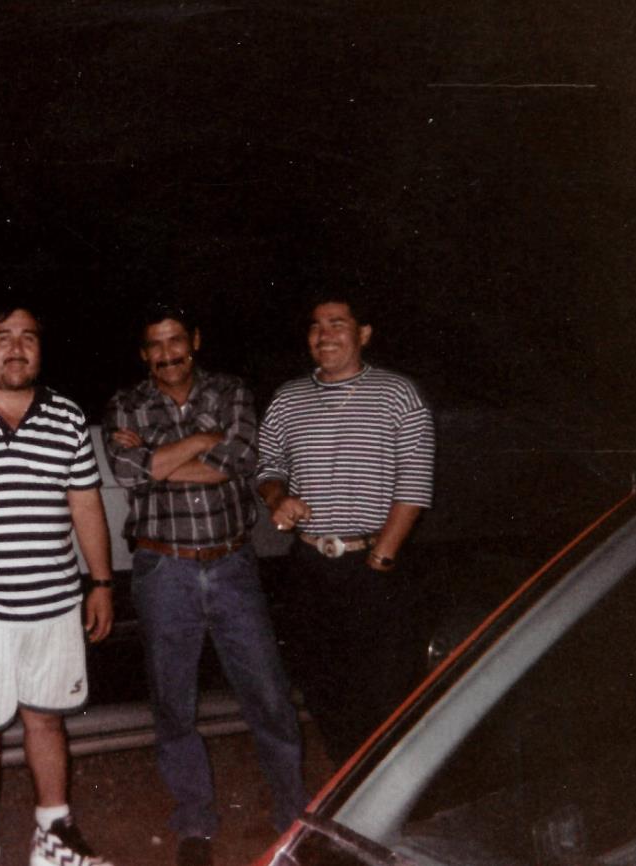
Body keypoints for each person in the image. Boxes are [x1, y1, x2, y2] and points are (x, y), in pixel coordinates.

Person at [103, 302, 307, 866]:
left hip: (231, 564)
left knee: (267, 693)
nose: (168, 355)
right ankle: (195, 820)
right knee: (173, 701)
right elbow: (128, 474)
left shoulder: (232, 389)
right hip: (162, 568)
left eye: (176, 341)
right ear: (144, 353)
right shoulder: (125, 402)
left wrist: (158, 456)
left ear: (194, 339)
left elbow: (241, 458)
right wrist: (202, 439)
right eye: (156, 346)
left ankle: (293, 811)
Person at [0, 305, 116, 866]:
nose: (16, 348)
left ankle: (53, 835)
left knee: (46, 717)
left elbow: (84, 501)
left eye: (28, 338)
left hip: (55, 601)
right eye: (2, 337)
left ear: (40, 348)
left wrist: (102, 582)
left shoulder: (65, 415)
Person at [256, 297, 434, 765]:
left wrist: (383, 557)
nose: (325, 335)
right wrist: (278, 499)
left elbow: (414, 481)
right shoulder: (288, 397)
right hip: (311, 567)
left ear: (364, 334)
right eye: (316, 326)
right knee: (324, 690)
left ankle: (398, 805)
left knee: (388, 694)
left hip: (376, 563)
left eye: (338, 324)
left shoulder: (398, 393)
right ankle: (352, 796)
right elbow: (268, 465)